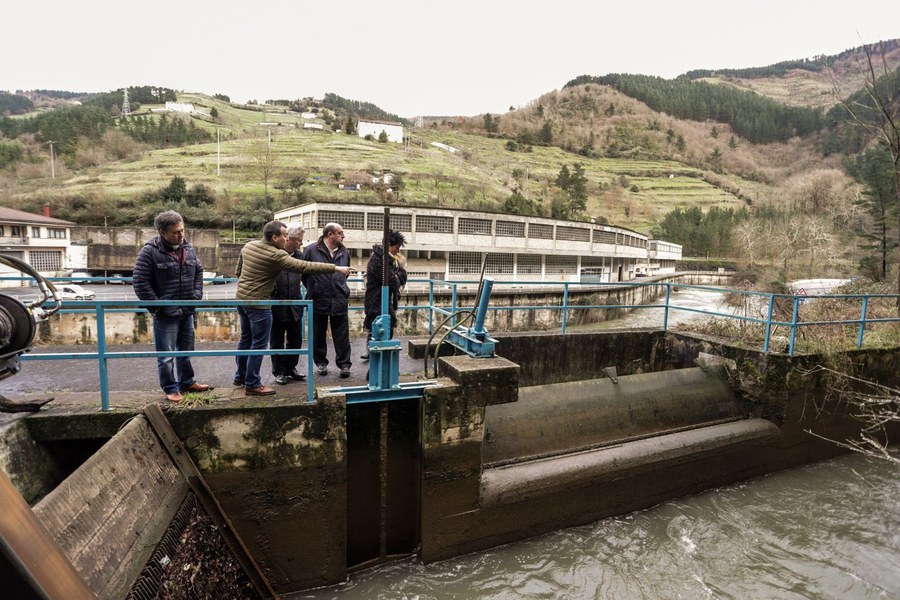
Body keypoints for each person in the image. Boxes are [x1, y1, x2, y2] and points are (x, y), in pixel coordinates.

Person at [234, 220, 351, 396]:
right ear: (274, 238)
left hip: (242, 300)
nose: (287, 238)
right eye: (284, 236)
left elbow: (238, 271)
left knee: (246, 340)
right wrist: (336, 268)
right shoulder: (277, 255)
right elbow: (306, 266)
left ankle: (240, 376)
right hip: (260, 303)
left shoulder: (248, 246)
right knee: (259, 344)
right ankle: (252, 383)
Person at [133, 210, 212, 403]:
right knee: (166, 355)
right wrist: (159, 308)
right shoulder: (150, 251)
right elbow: (140, 282)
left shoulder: (188, 248)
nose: (181, 235)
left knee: (185, 350)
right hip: (166, 313)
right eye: (176, 232)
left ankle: (187, 382)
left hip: (187, 309)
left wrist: (196, 296)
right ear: (162, 232)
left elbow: (199, 271)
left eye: (182, 230)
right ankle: (170, 388)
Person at [301, 222, 353, 378]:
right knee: (318, 334)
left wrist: (340, 288)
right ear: (330, 234)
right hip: (318, 298)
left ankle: (344, 365)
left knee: (342, 335)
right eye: (340, 233)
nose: (343, 236)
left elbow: (346, 272)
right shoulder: (311, 250)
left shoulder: (344, 251)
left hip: (339, 298)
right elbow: (304, 273)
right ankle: (321, 363)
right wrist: (315, 287)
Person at [361, 230, 407, 360]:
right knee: (380, 325)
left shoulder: (386, 259)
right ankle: (375, 353)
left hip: (382, 299)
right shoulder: (379, 260)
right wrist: (400, 273)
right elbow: (392, 281)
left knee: (378, 325)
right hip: (377, 299)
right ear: (389, 245)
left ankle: (373, 352)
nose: (397, 252)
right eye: (396, 248)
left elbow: (396, 280)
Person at [270, 225, 307, 385]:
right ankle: (279, 371)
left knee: (296, 340)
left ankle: (291, 368)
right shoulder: (275, 254)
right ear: (289, 239)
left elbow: (306, 275)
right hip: (277, 305)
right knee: (276, 341)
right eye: (299, 240)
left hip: (295, 305)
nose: (301, 243)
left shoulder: (300, 255)